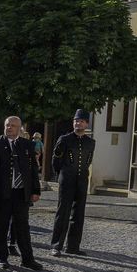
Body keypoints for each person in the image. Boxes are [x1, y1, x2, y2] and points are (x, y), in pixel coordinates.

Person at [0, 116, 42, 270]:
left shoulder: (27, 145)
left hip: (21, 193)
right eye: (7, 125)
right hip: (2, 192)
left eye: (13, 126)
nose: (9, 128)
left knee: (23, 227)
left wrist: (36, 190)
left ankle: (27, 259)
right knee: (1, 226)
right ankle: (2, 258)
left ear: (19, 128)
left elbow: (33, 170)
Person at [50, 110, 95, 257]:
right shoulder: (65, 139)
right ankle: (56, 245)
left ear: (86, 124)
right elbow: (56, 160)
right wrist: (61, 175)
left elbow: (88, 160)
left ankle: (73, 246)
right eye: (76, 121)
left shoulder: (91, 142)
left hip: (82, 180)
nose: (78, 123)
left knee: (79, 213)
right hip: (66, 179)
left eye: (81, 121)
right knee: (63, 212)